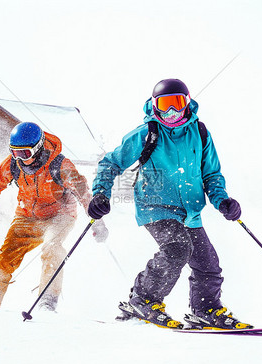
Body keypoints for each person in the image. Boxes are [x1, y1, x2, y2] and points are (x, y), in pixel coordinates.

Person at [87, 79, 252, 329]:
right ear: (155, 106)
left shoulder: (201, 133)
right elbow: (110, 164)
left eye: (177, 103)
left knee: (208, 264)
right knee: (177, 248)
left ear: (188, 103)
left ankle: (205, 308)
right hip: (156, 207)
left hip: (190, 212)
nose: (171, 112)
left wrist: (223, 201)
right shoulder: (146, 134)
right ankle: (142, 299)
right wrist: (101, 194)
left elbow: (211, 175)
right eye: (165, 105)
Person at [0, 121, 108, 312]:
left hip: (60, 215)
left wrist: (98, 221)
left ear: (37, 148)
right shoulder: (13, 164)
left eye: (25, 153)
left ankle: (47, 301)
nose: (20, 158)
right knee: (4, 257)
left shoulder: (59, 164)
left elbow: (82, 191)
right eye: (14, 152)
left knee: (51, 247)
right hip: (27, 216)